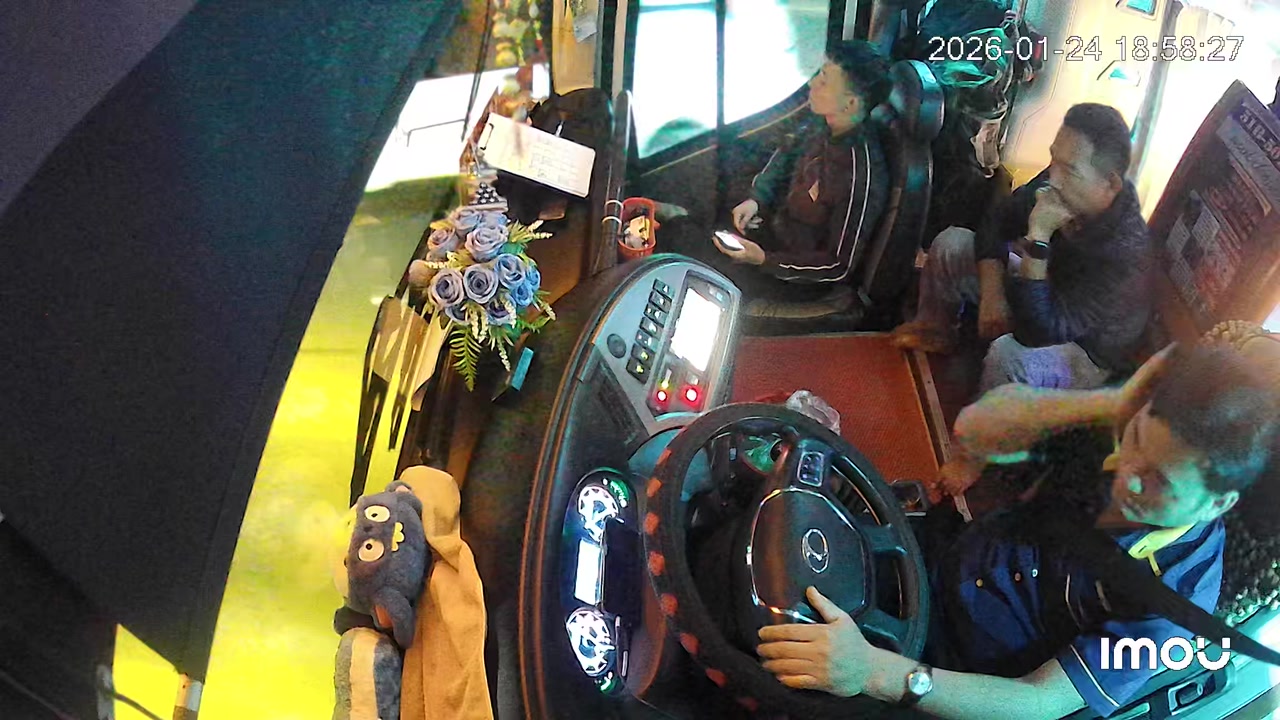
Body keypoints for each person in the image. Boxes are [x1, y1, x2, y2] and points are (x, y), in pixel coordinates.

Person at [756, 344, 1279, 719]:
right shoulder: (1117, 441)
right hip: (935, 559)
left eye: (1159, 480)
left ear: (1219, 503)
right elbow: (976, 429)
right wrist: (1116, 403)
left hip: (956, 673)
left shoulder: (1174, 610)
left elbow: (1040, 702)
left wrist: (874, 672)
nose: (1128, 475)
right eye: (1137, 438)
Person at [893, 103, 1152, 392]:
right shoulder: (1056, 182)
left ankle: (984, 418)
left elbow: (1039, 331)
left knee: (1009, 356)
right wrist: (992, 292)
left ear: (1110, 184)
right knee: (951, 244)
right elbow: (997, 220)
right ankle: (935, 329)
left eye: (1070, 170)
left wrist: (1039, 236)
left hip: (1083, 351)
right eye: (1054, 159)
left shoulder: (1123, 255)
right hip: (1043, 294)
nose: (1054, 179)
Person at [668, 40, 891, 300]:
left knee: (690, 255)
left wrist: (763, 259)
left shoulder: (859, 177)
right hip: (776, 232)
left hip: (795, 277)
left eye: (824, 81)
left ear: (850, 104)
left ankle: (676, 222)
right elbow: (786, 153)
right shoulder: (823, 122)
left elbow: (837, 266)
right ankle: (679, 221)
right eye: (819, 73)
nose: (812, 83)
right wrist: (757, 199)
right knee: (705, 218)